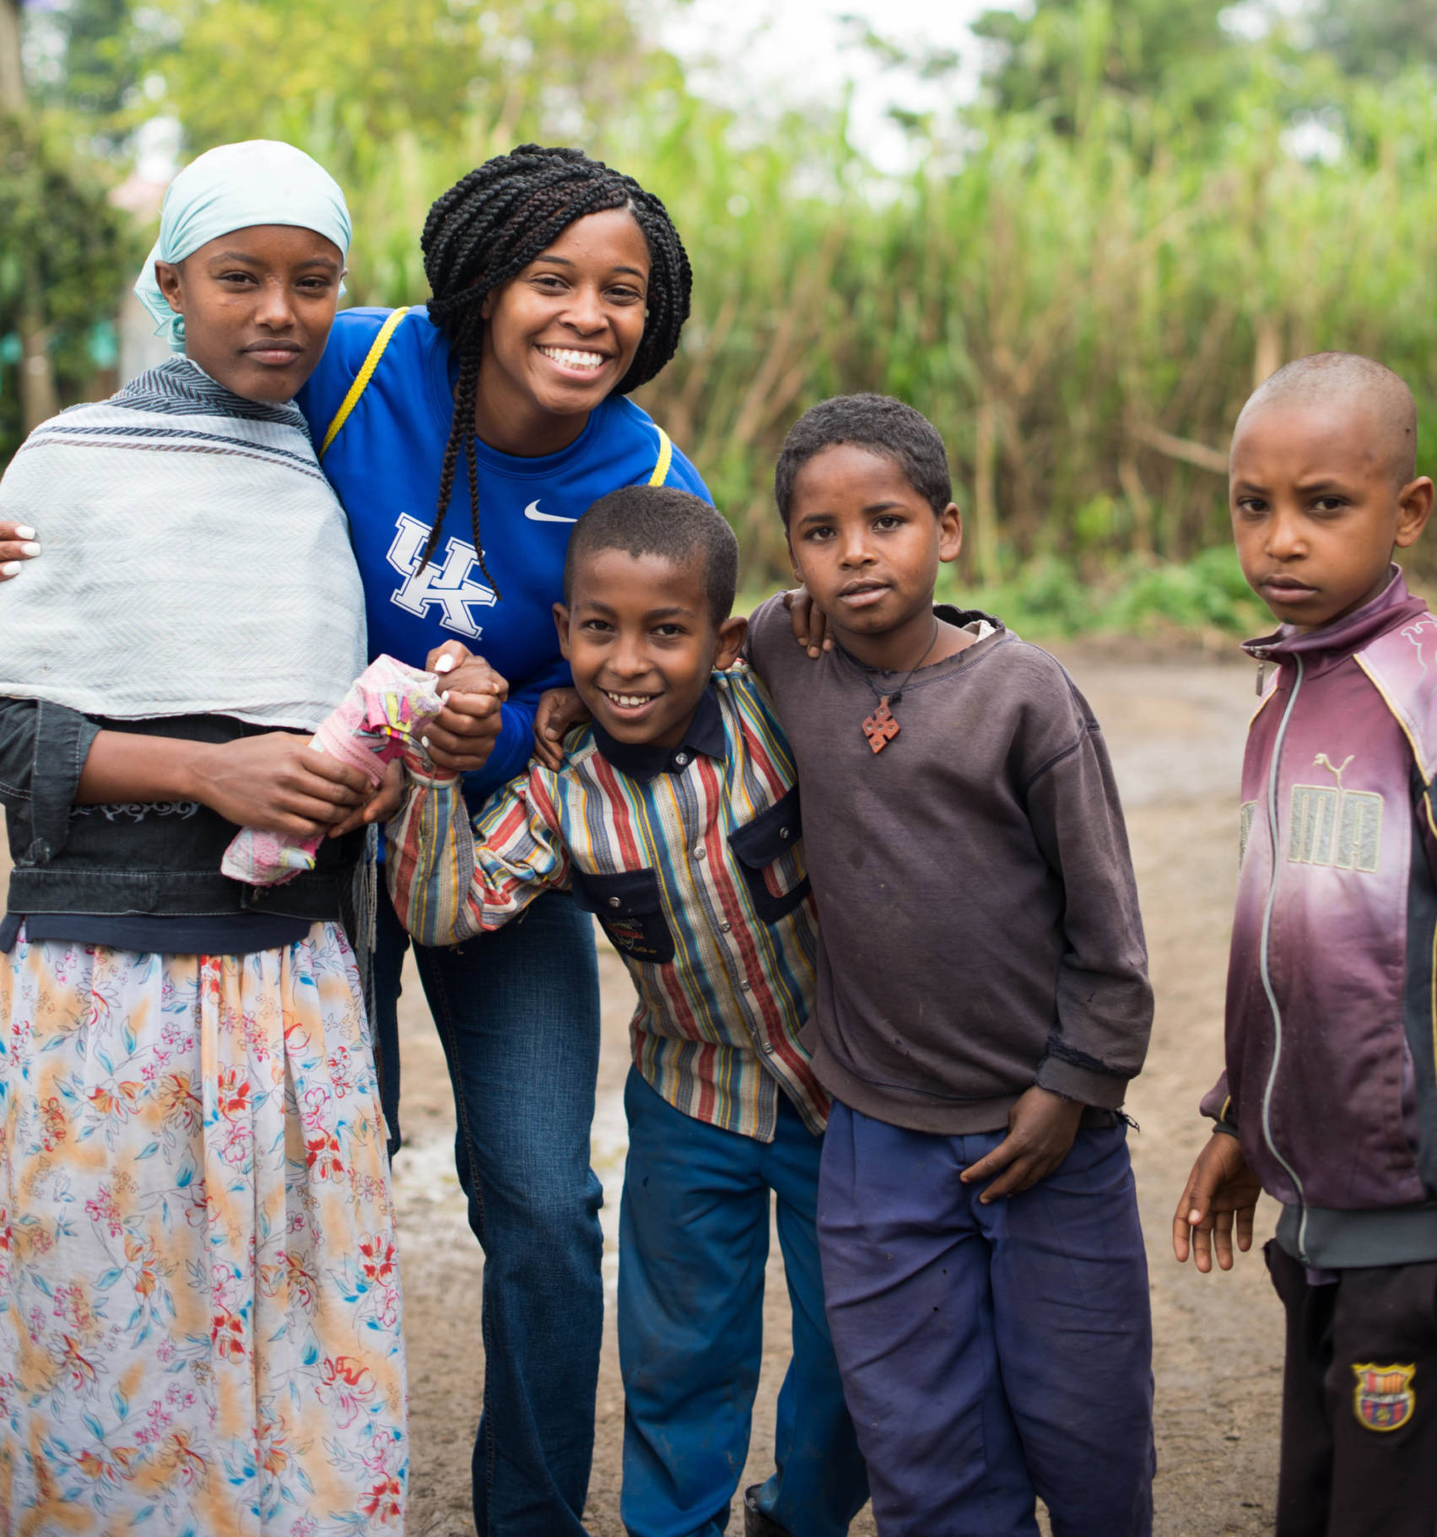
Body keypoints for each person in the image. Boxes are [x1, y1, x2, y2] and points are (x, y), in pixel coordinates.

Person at [0, 140, 709, 1537]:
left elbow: (642, 679)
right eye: (548, 279)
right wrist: (29, 529)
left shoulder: (648, 474)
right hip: (309, 847)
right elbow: (171, 454)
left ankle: (529, 1515)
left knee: (545, 1196)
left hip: (496, 848)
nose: (585, 315)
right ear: (477, 290)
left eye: (620, 292)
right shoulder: (352, 360)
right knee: (326, 1164)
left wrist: (510, 722)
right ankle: (270, 1482)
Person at [0, 141, 407, 1535]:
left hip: (285, 969)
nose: (279, 311)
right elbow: (8, 730)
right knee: (100, 1313)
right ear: (169, 283)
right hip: (97, 979)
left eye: (314, 281)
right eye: (240, 277)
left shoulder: (336, 477)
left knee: (292, 1319)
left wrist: (358, 776)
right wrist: (210, 772)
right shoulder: (67, 465)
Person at [386, 484, 869, 1537]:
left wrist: (807, 610)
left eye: (667, 632)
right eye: (598, 631)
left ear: (724, 640)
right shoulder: (559, 792)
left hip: (850, 1097)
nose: (629, 664)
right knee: (679, 1354)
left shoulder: (780, 714)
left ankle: (801, 1516)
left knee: (858, 1352)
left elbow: (852, 631)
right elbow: (444, 915)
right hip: (691, 1104)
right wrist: (430, 767)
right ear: (564, 633)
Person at [744, 392, 1156, 1537]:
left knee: (1087, 1429)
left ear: (951, 530)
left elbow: (1109, 936)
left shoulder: (1024, 698)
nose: (856, 553)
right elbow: (692, 636)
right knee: (922, 1443)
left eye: (887, 522)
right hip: (875, 1137)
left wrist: (1072, 1088)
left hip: (1045, 1134)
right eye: (821, 535)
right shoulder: (787, 645)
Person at [1172, 352, 1437, 1537]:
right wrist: (1242, 1114)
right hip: (1321, 1194)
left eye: (1324, 506)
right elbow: (1298, 944)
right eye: (1253, 505)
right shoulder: (1288, 690)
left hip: (1413, 1204)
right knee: (1322, 1487)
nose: (1281, 540)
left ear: (1409, 513)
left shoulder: (1416, 693)